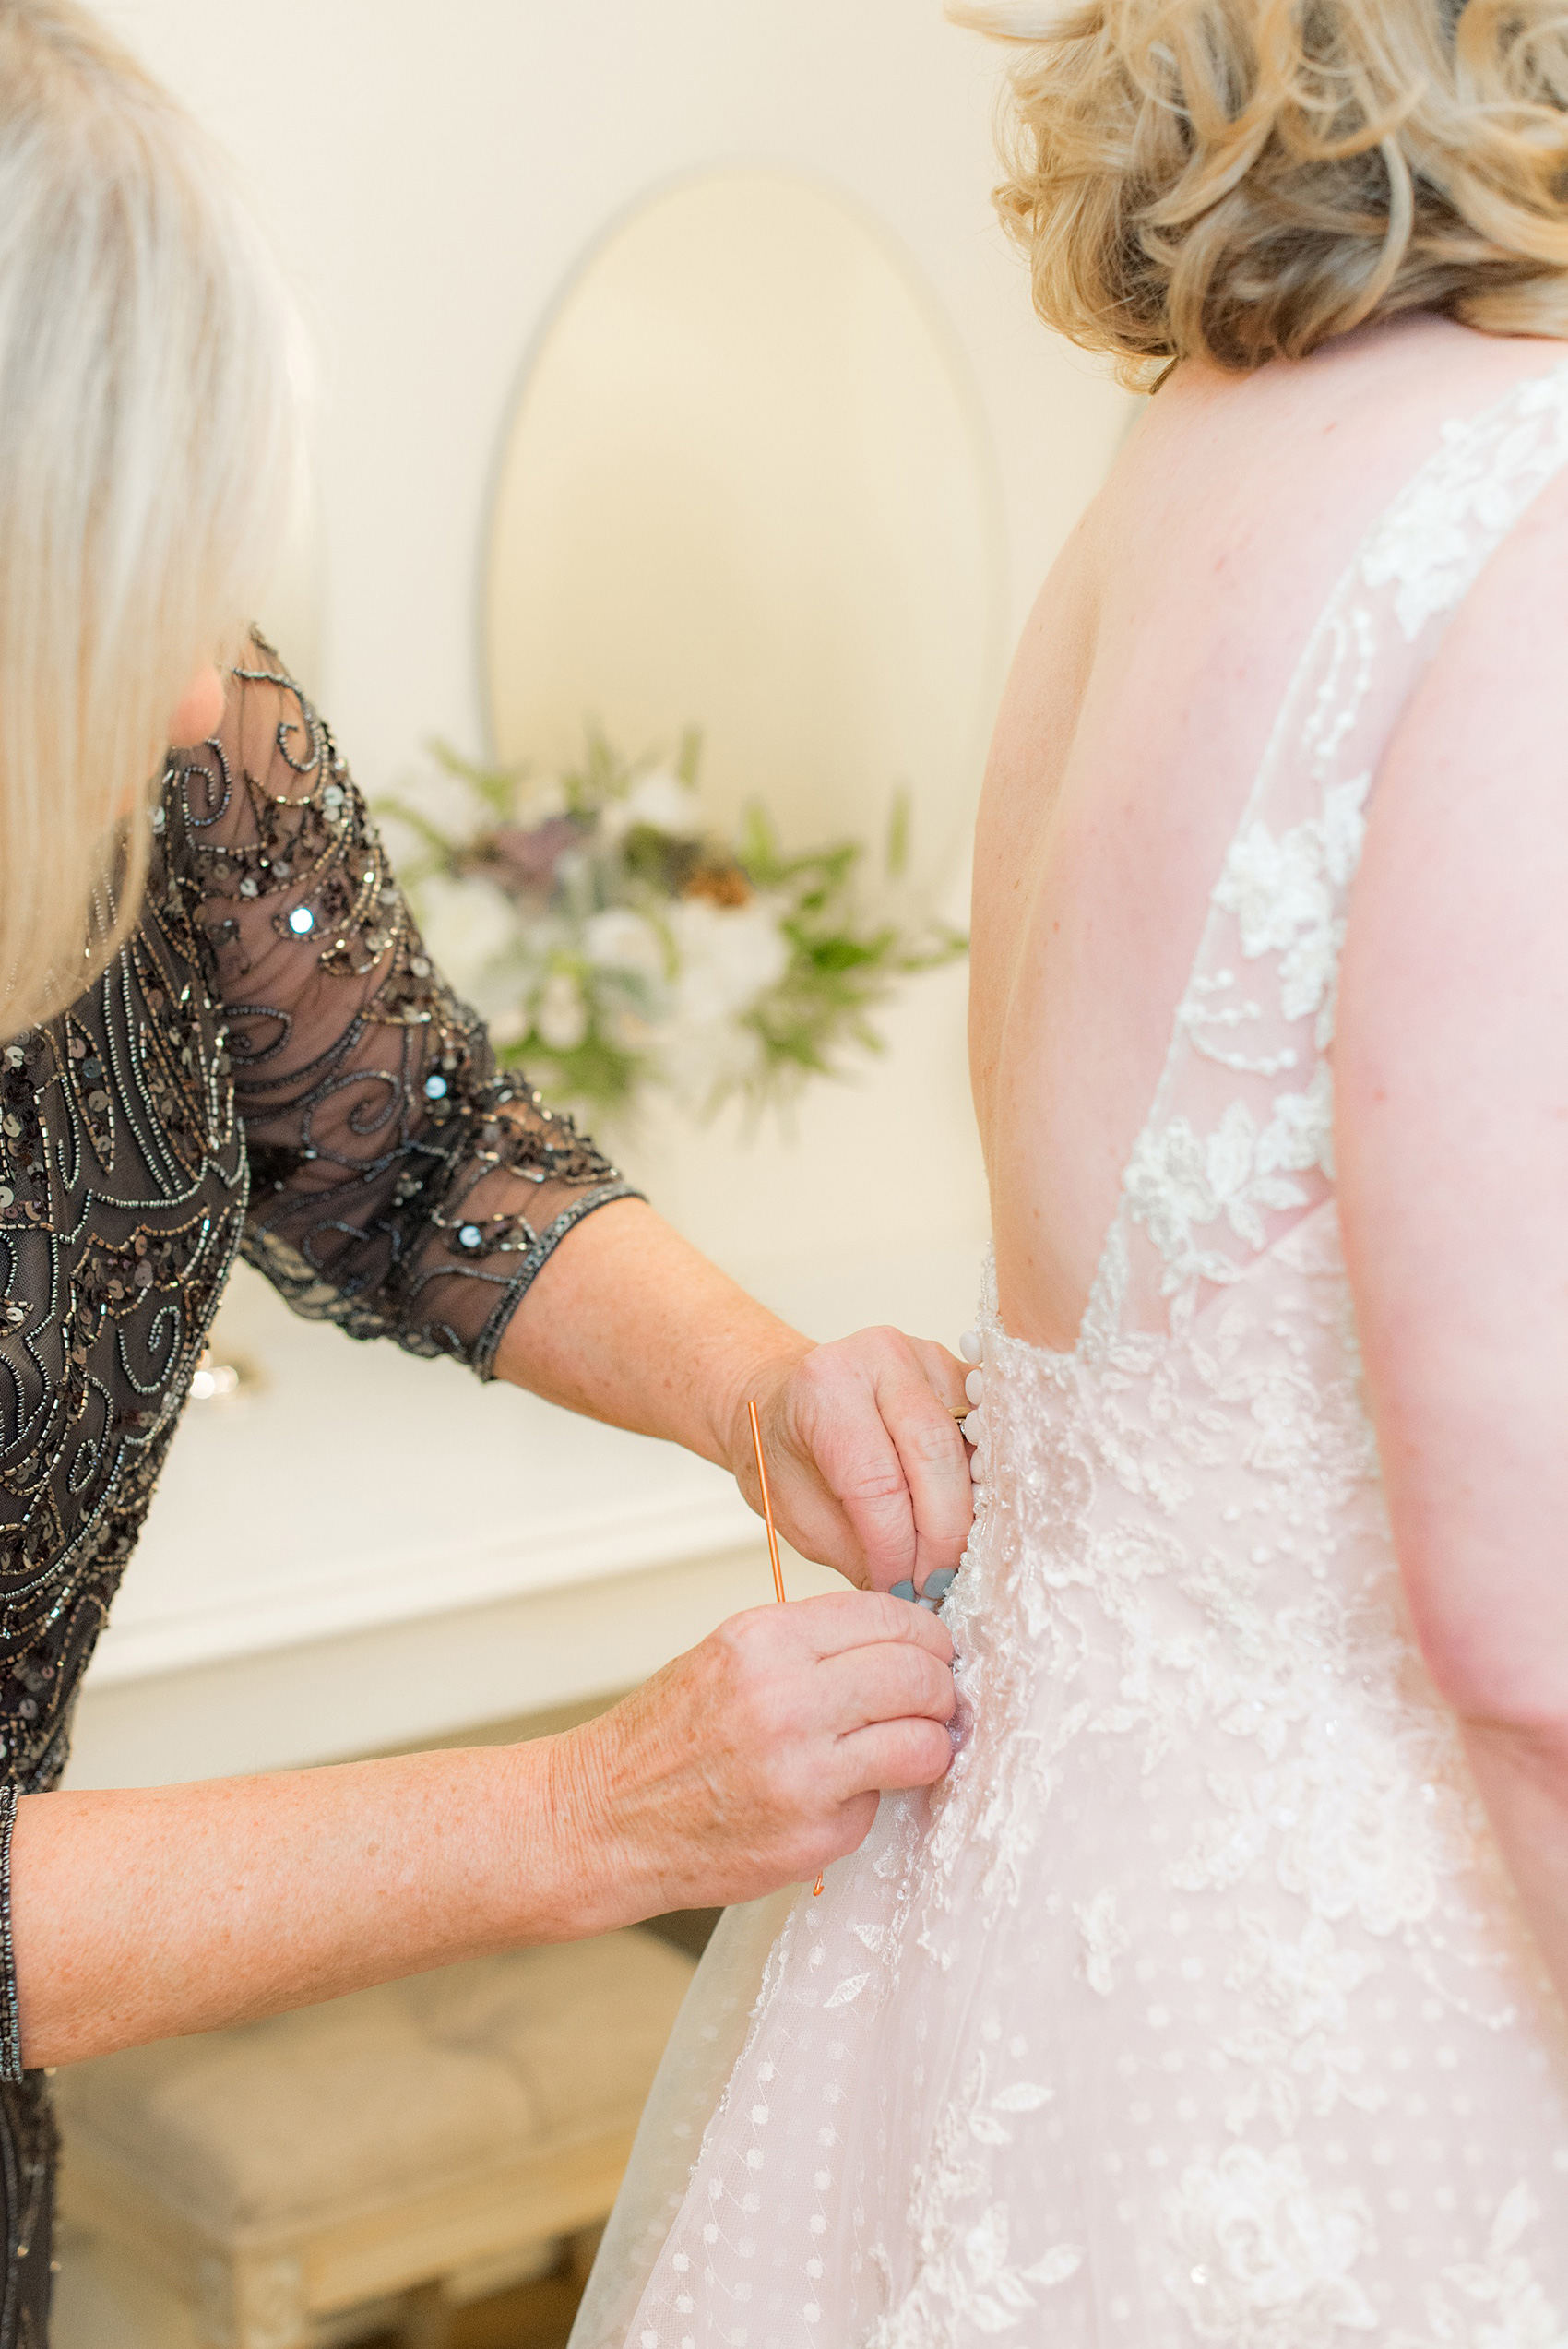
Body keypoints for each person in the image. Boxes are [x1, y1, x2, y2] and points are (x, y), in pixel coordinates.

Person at [575, 3, 1568, 2343]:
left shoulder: (1177, 470)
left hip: (1042, 1929)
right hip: (1379, 1975)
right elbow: (1525, 1624)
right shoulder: (1516, 509)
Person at [0, 6, 978, 2340]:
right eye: (116, 587)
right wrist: (581, 1820)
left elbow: (421, 1150)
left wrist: (763, 1387)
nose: (178, 695)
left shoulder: (183, 746)